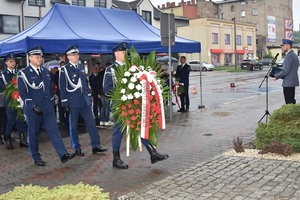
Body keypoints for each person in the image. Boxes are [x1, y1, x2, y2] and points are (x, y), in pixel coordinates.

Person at [103, 42, 169, 169]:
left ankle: (153, 153)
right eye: (122, 52)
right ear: (116, 54)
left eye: (125, 52)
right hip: (119, 106)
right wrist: (121, 95)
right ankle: (116, 159)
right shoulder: (111, 70)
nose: (125, 54)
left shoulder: (131, 68)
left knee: (140, 127)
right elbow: (106, 89)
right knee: (118, 131)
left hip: (133, 105)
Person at [17, 46, 76, 166]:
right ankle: (36, 156)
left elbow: (48, 88)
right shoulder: (23, 73)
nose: (40, 59)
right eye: (37, 57)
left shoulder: (45, 71)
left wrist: (53, 98)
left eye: (40, 57)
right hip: (33, 109)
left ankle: (63, 154)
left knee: (54, 131)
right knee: (33, 133)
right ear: (30, 58)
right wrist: (33, 106)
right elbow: (23, 92)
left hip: (48, 107)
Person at [59, 45, 108, 156]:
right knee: (74, 126)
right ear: (69, 57)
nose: (77, 56)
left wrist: (88, 96)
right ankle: (77, 147)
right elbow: (63, 87)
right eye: (74, 55)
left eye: (77, 54)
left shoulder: (81, 67)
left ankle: (96, 145)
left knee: (91, 124)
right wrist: (65, 103)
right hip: (73, 101)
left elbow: (84, 84)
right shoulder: (65, 70)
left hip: (84, 101)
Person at [0, 53, 28, 149]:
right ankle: (7, 139)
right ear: (6, 62)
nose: (13, 63)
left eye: (14, 61)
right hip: (9, 102)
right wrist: (11, 86)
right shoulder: (3, 75)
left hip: (20, 100)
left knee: (20, 120)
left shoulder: (19, 73)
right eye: (11, 61)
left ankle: (22, 140)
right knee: (11, 121)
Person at [272, 39, 299, 104]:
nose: (282, 47)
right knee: (291, 101)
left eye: (283, 45)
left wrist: (276, 76)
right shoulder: (294, 55)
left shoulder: (289, 56)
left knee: (289, 102)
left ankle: (291, 114)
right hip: (292, 82)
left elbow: (285, 70)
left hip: (288, 83)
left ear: (288, 45)